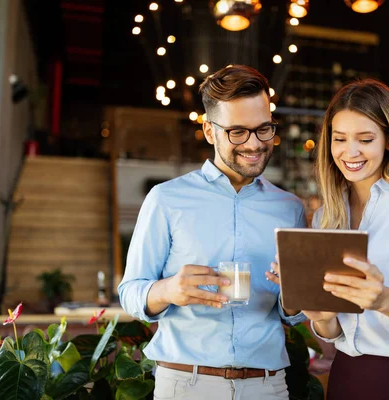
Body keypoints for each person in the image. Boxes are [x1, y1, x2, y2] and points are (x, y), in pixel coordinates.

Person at [118, 65, 307, 400]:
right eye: (237, 132)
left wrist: (294, 297)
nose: (254, 144)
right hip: (185, 386)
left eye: (263, 129)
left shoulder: (289, 208)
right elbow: (131, 292)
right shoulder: (166, 199)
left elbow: (292, 314)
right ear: (209, 131)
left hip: (268, 387)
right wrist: (168, 290)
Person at [272, 79, 389, 400]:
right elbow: (333, 333)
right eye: (340, 139)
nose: (351, 151)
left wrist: (383, 299)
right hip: (348, 374)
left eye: (365, 139)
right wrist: (321, 315)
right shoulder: (326, 216)